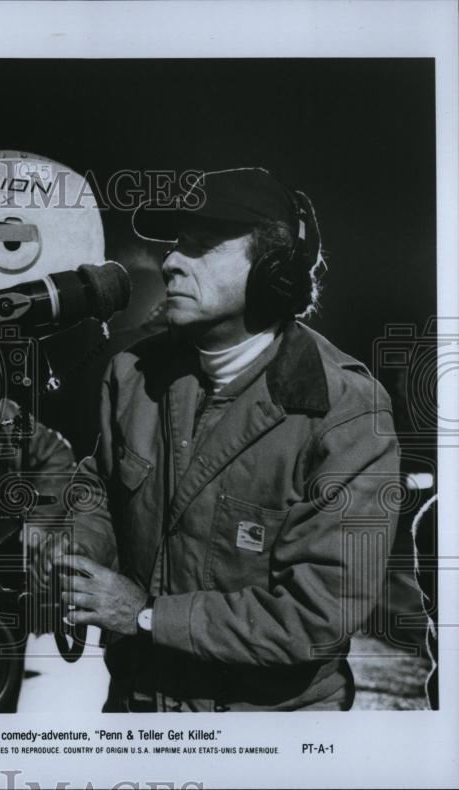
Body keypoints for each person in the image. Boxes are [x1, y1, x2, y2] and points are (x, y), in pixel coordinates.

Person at [53, 168, 400, 711]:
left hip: (266, 727)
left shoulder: (346, 412)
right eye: (174, 244)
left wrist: (144, 615)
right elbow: (99, 486)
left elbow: (317, 615)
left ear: (273, 272)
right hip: (140, 708)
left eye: (203, 246)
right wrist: (76, 551)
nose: (170, 262)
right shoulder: (133, 374)